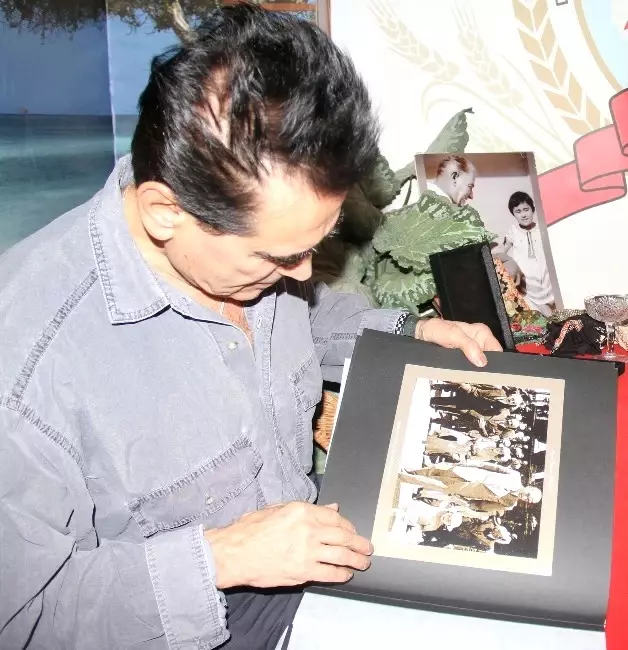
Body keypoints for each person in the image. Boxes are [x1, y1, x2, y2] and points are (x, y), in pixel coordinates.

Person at [0, 6, 502, 649]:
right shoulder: (29, 369)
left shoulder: (244, 255)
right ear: (164, 214)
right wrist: (222, 558)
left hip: (318, 571)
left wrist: (411, 332)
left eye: (313, 246)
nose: (302, 274)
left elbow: (311, 316)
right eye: (278, 256)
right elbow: (24, 618)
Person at [496, 191, 555, 316]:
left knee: (556, 310)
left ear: (532, 209)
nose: (523, 215)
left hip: (546, 280)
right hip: (528, 284)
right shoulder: (513, 232)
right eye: (518, 211)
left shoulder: (542, 228)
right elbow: (502, 251)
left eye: (526, 209)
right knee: (541, 315)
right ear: (513, 214)